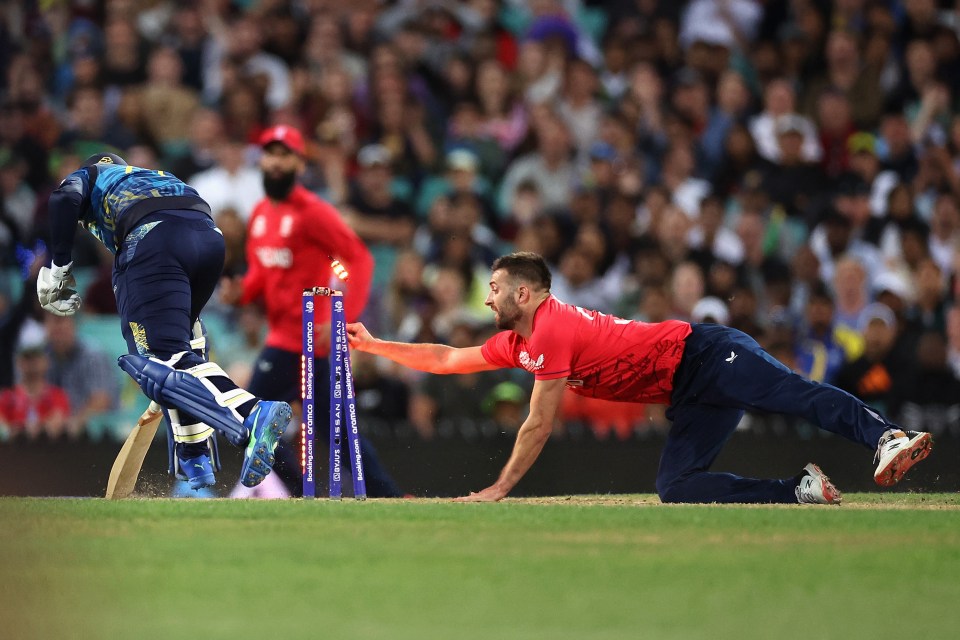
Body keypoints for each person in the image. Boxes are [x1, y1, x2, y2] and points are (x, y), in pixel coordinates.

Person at [347, 252, 934, 504]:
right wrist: (377, 345)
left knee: (792, 396)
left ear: (523, 293)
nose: (485, 297)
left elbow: (539, 422)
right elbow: (447, 358)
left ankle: (885, 437)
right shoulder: (519, 342)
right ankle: (800, 490)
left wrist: (500, 488)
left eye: (495, 288)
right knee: (677, 487)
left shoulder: (549, 330)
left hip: (705, 352)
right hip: (687, 391)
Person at [39, 152, 291, 490]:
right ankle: (195, 454)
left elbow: (64, 197)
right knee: (183, 351)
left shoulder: (96, 174)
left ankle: (250, 412)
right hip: (209, 238)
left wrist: (58, 269)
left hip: (154, 239)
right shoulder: (154, 177)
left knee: (156, 365)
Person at [220, 125, 403, 498]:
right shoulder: (259, 214)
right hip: (287, 340)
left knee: (249, 422)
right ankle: (387, 497)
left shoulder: (314, 212)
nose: (275, 162)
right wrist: (240, 293)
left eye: (285, 154)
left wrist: (341, 321)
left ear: (300, 164)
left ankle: (305, 493)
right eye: (270, 153)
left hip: (305, 340)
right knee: (332, 430)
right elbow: (261, 273)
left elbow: (360, 260)